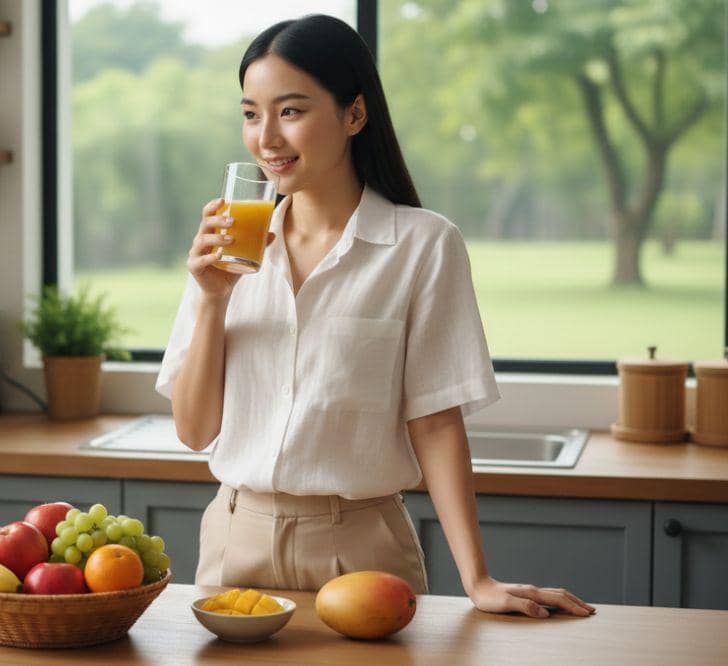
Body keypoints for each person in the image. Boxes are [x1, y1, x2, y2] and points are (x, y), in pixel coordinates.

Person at [155, 14, 595, 620]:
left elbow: (436, 422)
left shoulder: (422, 246)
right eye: (251, 113)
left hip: (359, 546)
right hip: (235, 540)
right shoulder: (227, 249)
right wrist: (211, 298)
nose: (266, 139)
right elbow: (194, 430)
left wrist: (478, 579)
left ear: (354, 114)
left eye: (291, 111)